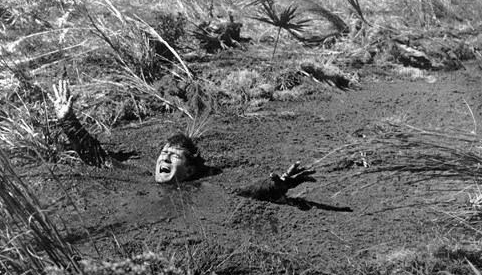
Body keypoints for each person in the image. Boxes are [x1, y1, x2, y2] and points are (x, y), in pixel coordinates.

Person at [49, 80, 316, 202]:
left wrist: (279, 183)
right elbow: (98, 159)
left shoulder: (203, 189)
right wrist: (67, 120)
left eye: (173, 156)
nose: (163, 158)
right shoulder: (138, 177)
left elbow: (245, 192)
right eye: (163, 154)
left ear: (189, 170)